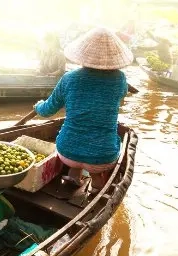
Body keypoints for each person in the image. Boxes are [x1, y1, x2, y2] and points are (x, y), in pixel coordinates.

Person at [33, 27, 133, 194]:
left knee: (77, 149)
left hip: (67, 151)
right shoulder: (119, 79)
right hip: (102, 157)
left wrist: (38, 106)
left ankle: (73, 176)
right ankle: (96, 186)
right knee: (101, 154)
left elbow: (46, 110)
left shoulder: (69, 78)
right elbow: (121, 94)